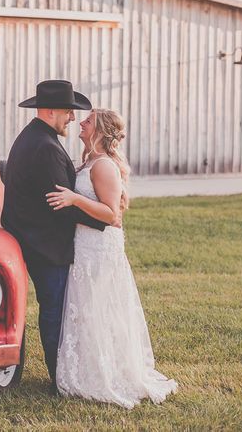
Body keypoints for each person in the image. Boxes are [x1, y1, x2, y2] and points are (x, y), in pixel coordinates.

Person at [47, 108, 177, 408]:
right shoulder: (89, 161)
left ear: (100, 130)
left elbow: (112, 214)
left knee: (101, 307)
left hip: (99, 247)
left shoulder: (104, 165)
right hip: (85, 244)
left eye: (88, 120)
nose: (81, 122)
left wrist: (74, 198)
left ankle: (108, 372)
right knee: (88, 306)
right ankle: (90, 367)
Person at [1, 80, 111, 391]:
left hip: (35, 238)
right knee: (56, 312)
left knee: (57, 310)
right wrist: (105, 218)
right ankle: (59, 377)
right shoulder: (45, 146)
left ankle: (60, 372)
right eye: (69, 112)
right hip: (45, 245)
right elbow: (59, 204)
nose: (73, 118)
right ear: (51, 111)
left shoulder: (35, 137)